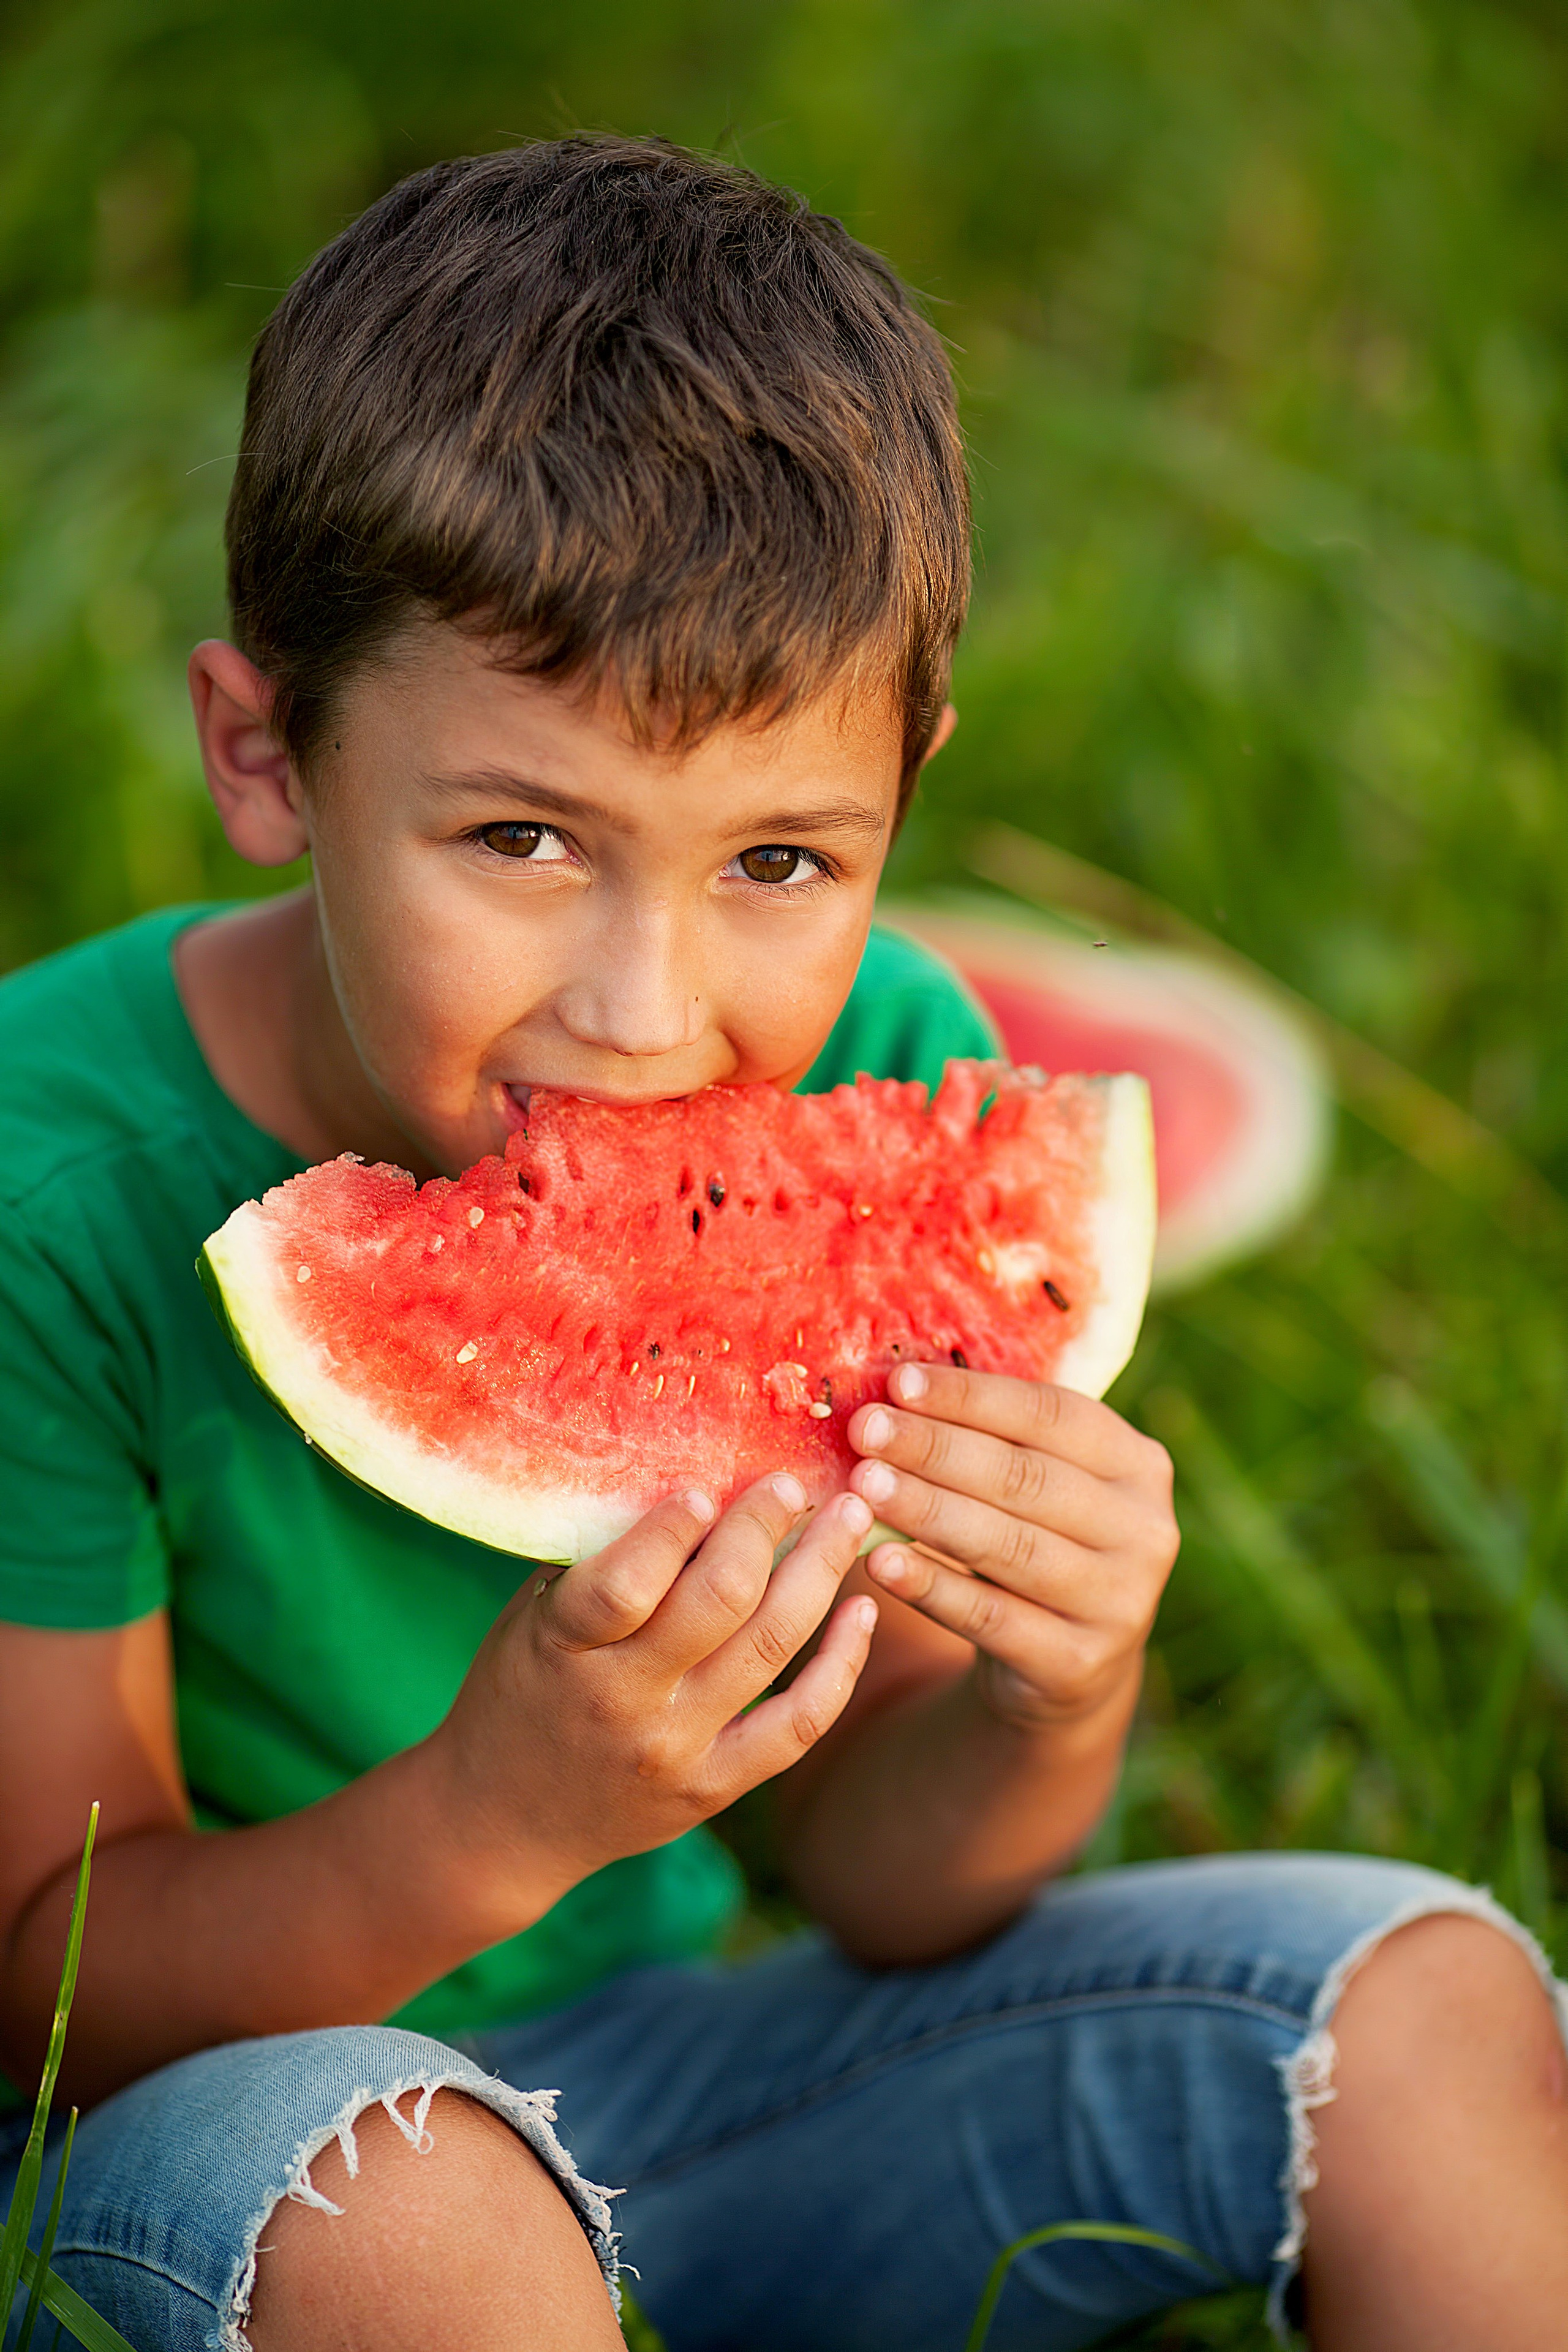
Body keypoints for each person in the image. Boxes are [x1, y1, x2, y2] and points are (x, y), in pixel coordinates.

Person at [0, 137, 1562, 2352]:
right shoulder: (38, 1188)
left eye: (780, 865)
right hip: (205, 2165)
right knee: (404, 2202)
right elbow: (42, 1995)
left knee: (1434, 1998)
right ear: (268, 755)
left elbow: (890, 1887)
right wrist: (497, 1812)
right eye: (523, 838)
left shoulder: (887, 1066)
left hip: (683, 2106)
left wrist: (1058, 1683)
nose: (646, 1017)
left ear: (906, 785)